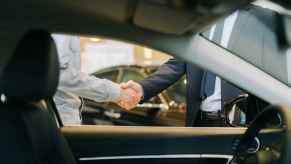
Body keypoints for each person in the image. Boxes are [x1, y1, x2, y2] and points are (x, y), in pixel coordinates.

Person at [121, 5, 277, 127]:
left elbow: (274, 72)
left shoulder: (264, 18)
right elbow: (177, 64)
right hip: (199, 121)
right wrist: (142, 88)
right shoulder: (197, 20)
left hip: (240, 123)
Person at [52, 34, 141, 124]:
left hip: (60, 119)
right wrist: (117, 92)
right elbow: (59, 74)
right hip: (58, 120)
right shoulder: (62, 29)